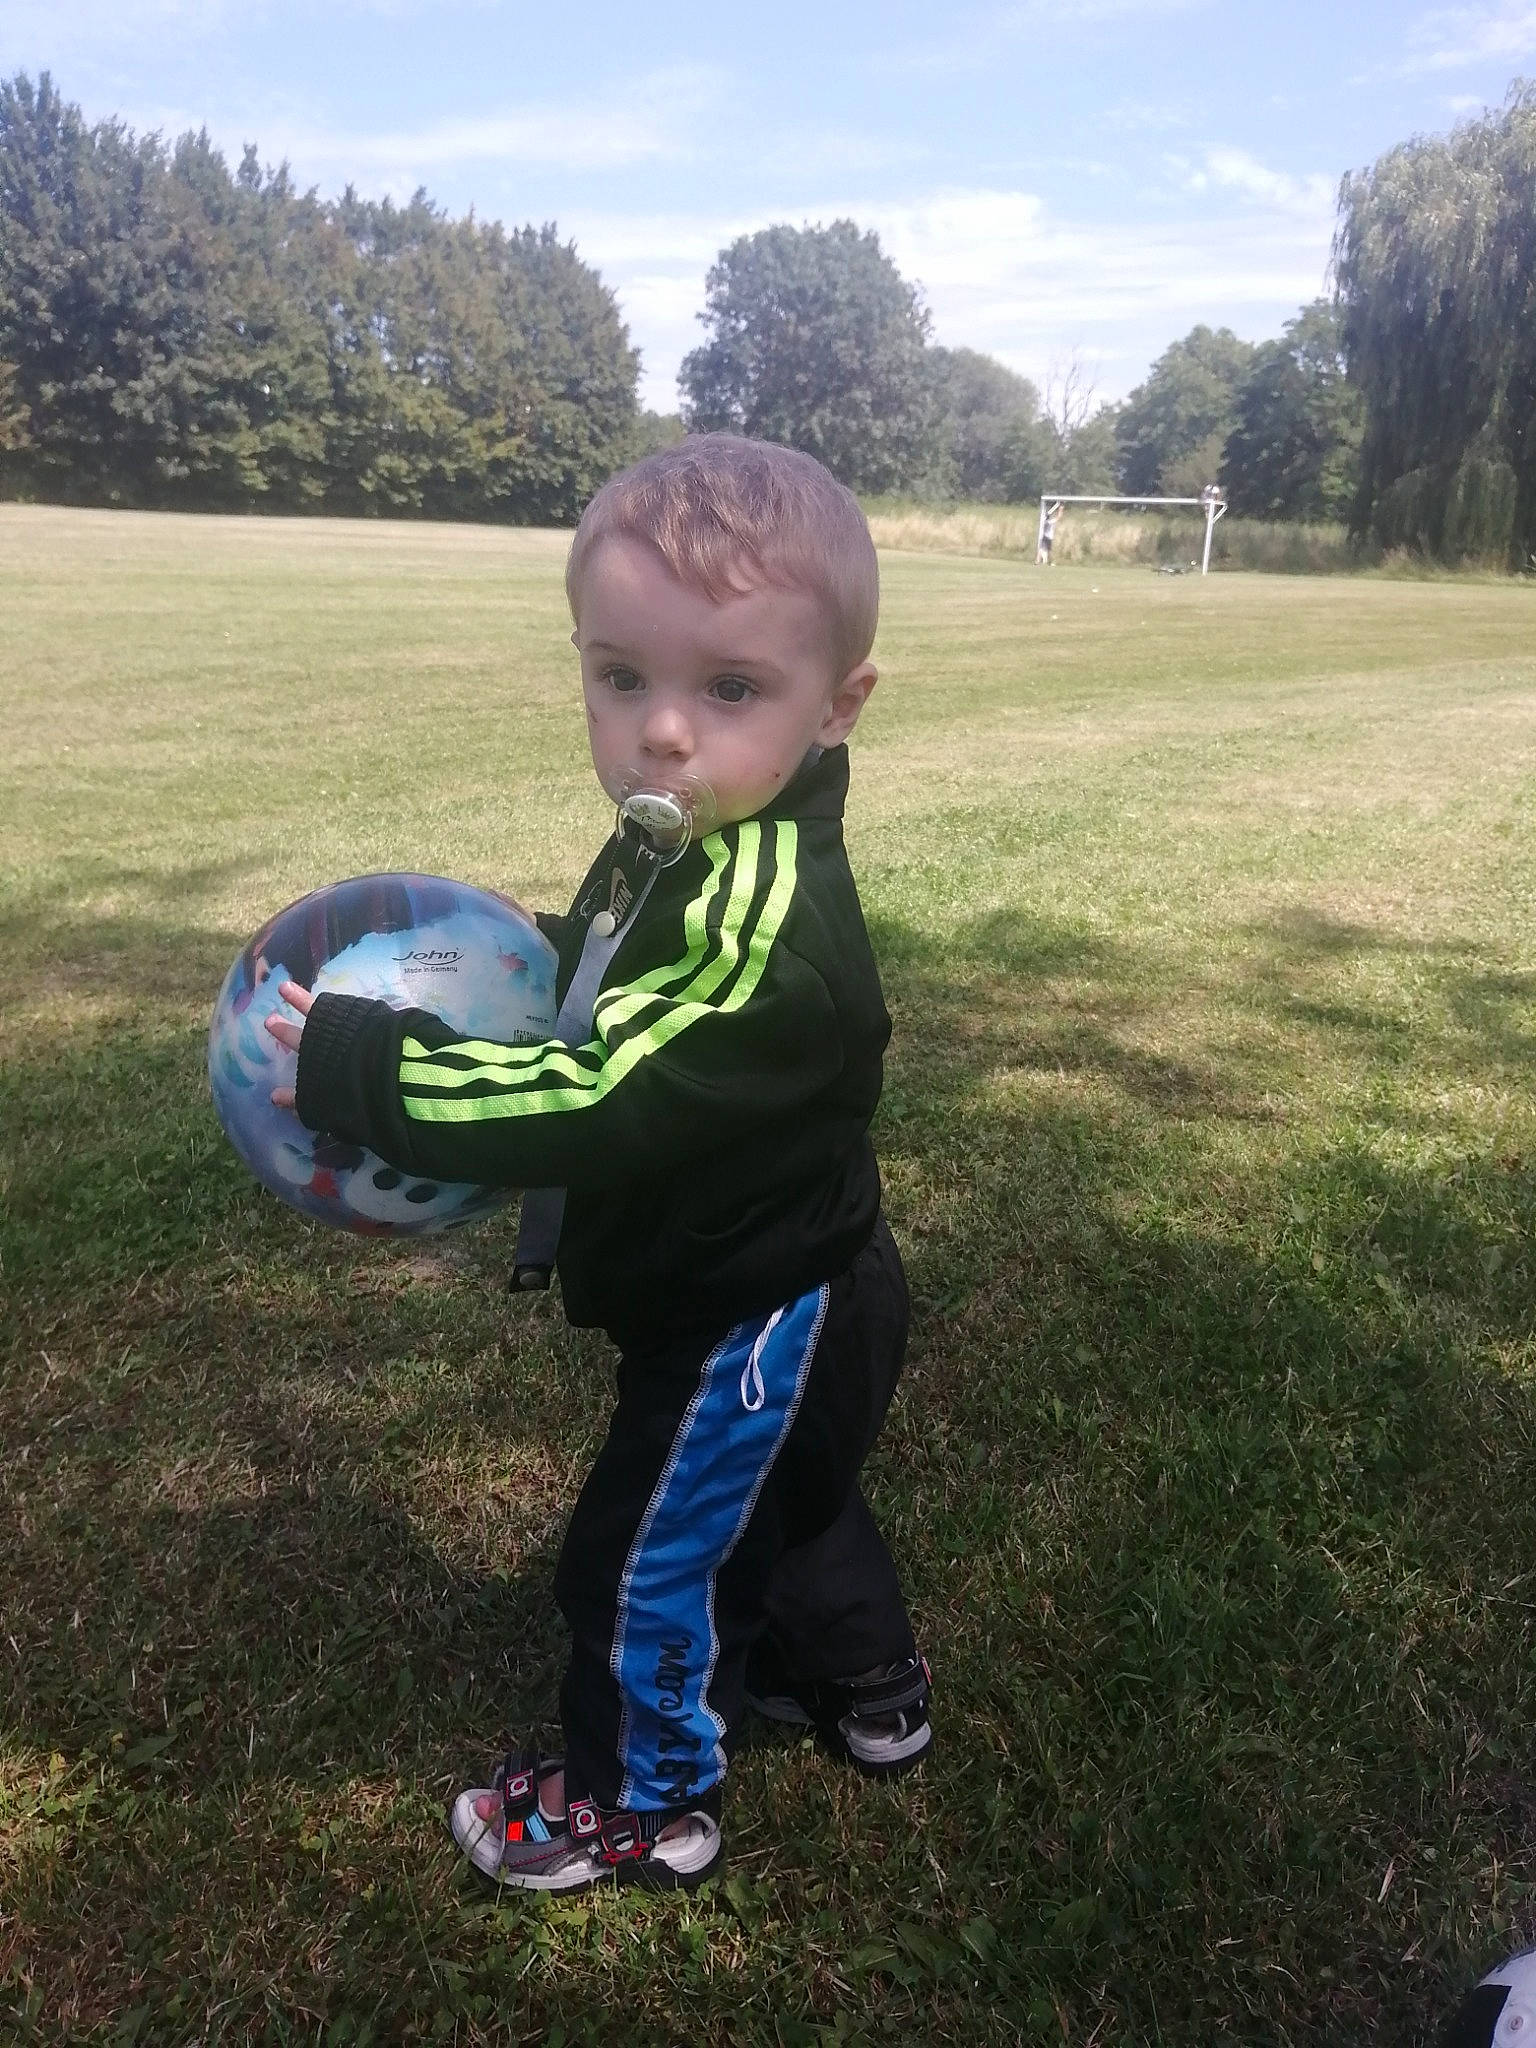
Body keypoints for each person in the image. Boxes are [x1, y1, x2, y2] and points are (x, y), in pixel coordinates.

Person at [264, 434, 931, 1894]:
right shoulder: (693, 842)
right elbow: (610, 983)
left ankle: (643, 1799)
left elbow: (598, 1089)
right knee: (782, 1496)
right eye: (622, 677)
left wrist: (374, 1067)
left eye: (731, 689)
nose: (662, 732)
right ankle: (867, 1686)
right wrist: (516, 960)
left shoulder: (762, 923)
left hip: (754, 1310)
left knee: (645, 1554)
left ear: (838, 707)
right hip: (775, 1270)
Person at [1038, 499, 1063, 566]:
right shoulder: (1050, 522)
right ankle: (1049, 562)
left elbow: (1048, 514)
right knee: (1048, 550)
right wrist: (1061, 509)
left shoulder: (1044, 521)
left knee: (1041, 549)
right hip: (1048, 537)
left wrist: (1057, 505)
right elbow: (1059, 517)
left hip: (1045, 536)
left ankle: (1038, 561)